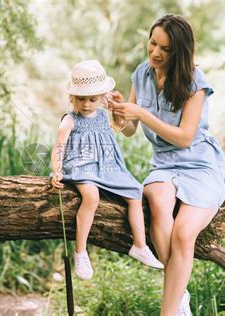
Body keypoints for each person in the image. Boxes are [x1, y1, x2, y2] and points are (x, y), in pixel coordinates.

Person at [109, 14, 225, 315]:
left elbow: (186, 137)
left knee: (184, 234)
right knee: (158, 199)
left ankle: (169, 309)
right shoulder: (142, 74)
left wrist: (142, 113)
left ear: (180, 51)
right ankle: (179, 295)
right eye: (152, 43)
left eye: (165, 48)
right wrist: (121, 114)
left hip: (199, 165)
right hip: (163, 165)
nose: (156, 53)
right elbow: (130, 129)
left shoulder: (195, 83)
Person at [50, 59, 164, 280]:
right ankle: (81, 252)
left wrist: (118, 107)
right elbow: (59, 147)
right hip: (81, 165)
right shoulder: (70, 120)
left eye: (92, 99)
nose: (86, 104)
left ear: (102, 97)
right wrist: (57, 170)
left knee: (135, 193)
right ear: (72, 97)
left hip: (108, 167)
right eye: (80, 99)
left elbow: (122, 127)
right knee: (91, 196)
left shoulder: (103, 114)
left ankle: (139, 245)